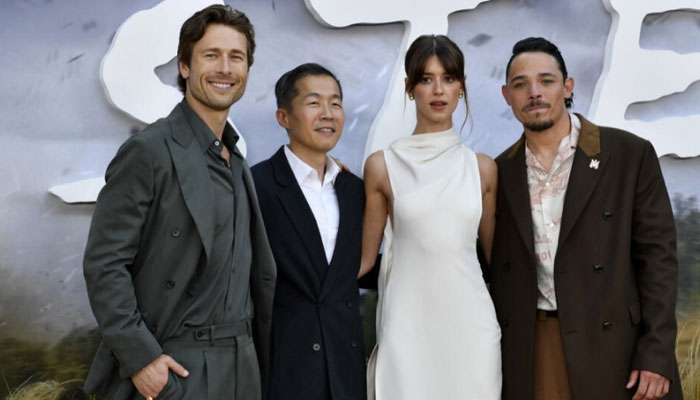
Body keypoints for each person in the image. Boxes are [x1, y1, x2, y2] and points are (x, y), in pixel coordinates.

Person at [82, 5, 276, 400]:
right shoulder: (149, 151)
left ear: (247, 72)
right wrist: (142, 361)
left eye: (235, 57)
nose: (225, 68)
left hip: (244, 367)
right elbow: (104, 263)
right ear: (184, 66)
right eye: (211, 55)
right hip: (179, 367)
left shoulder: (235, 158)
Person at [491, 37, 682, 400]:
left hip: (618, 347)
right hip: (536, 347)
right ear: (507, 95)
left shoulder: (628, 155)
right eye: (521, 84)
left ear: (567, 86)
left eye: (546, 81)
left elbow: (659, 261)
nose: (534, 92)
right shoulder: (498, 172)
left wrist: (657, 353)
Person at [360, 34, 502, 399]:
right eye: (426, 79)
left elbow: (497, 263)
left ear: (462, 88)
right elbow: (362, 263)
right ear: (409, 88)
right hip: (408, 331)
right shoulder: (382, 166)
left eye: (449, 78)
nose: (438, 90)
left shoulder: (482, 169)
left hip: (472, 332)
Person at [251, 63, 367, 400]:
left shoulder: (354, 190)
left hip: (345, 370)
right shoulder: (257, 186)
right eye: (314, 103)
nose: (328, 114)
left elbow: (358, 270)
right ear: (283, 117)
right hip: (285, 369)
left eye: (336, 103)